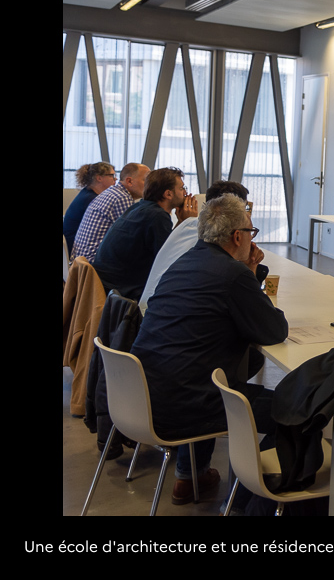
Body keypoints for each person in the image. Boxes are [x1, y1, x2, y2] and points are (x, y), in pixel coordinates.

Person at [131, 195, 287, 505]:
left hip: (144, 396)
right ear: (238, 236)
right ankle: (247, 500)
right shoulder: (232, 274)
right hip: (186, 407)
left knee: (243, 363)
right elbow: (273, 330)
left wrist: (248, 271)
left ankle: (191, 475)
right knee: (294, 410)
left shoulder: (182, 263)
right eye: (251, 232)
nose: (252, 239)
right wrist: (250, 273)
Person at [138, 180, 250, 314]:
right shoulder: (214, 237)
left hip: (149, 309)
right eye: (244, 210)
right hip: (165, 311)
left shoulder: (187, 224)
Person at [91, 167, 197, 301]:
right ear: (168, 194)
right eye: (182, 188)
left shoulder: (139, 208)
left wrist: (182, 222)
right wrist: (189, 223)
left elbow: (167, 247)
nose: (186, 193)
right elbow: (171, 260)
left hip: (107, 287)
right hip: (124, 295)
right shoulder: (157, 216)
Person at [73, 162, 150, 263]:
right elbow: (134, 238)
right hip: (93, 264)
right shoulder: (122, 198)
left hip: (82, 262)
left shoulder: (113, 192)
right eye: (146, 181)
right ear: (129, 181)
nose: (149, 185)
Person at [63, 162, 116, 257]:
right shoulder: (91, 199)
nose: (115, 179)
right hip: (76, 250)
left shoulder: (87, 193)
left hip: (75, 245)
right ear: (99, 178)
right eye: (112, 175)